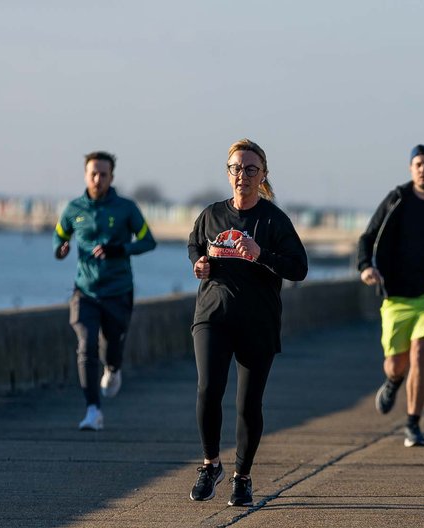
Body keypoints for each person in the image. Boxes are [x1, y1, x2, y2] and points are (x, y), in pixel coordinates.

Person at [187, 139, 308, 506]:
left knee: (247, 404)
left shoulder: (273, 220)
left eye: (251, 169)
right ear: (228, 173)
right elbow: (194, 245)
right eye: (237, 168)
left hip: (257, 321)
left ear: (263, 175)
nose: (243, 175)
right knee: (208, 389)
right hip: (213, 315)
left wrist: (262, 254)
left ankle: (243, 476)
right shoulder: (211, 215)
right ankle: (210, 465)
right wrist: (199, 265)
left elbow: (299, 267)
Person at [357, 145, 424, 447]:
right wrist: (365, 267)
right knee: (396, 363)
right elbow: (368, 236)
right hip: (397, 294)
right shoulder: (398, 198)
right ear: (411, 169)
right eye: (417, 164)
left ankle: (413, 423)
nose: (423, 169)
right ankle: (393, 381)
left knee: (421, 353)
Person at [53, 151, 157, 431]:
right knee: (86, 346)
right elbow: (59, 236)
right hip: (85, 291)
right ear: (86, 175)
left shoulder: (126, 208)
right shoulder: (74, 209)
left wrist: (120, 249)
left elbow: (149, 241)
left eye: (103, 174)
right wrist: (60, 250)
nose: (97, 179)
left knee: (111, 346)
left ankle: (113, 368)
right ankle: (92, 410)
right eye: (93, 174)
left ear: (112, 177)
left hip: (118, 290)